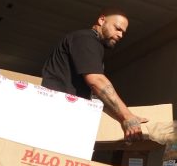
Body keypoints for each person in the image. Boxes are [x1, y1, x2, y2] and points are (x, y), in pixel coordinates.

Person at [42, 8, 146, 141]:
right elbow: (96, 80)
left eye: (123, 33)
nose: (120, 35)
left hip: (65, 115)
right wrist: (127, 116)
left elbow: (96, 93)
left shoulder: (92, 46)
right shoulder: (86, 38)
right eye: (117, 28)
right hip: (57, 115)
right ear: (101, 20)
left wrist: (119, 116)